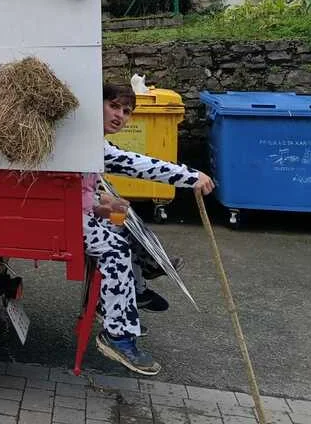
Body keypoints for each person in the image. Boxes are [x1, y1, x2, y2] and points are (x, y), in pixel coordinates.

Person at [84, 82, 215, 376]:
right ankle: (117, 335)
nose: (119, 115)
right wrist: (189, 176)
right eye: (113, 106)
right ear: (97, 104)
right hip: (67, 215)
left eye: (126, 111)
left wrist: (101, 200)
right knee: (115, 250)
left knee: (125, 216)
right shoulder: (88, 141)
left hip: (78, 206)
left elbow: (85, 182)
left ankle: (140, 282)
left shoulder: (94, 141)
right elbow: (135, 164)